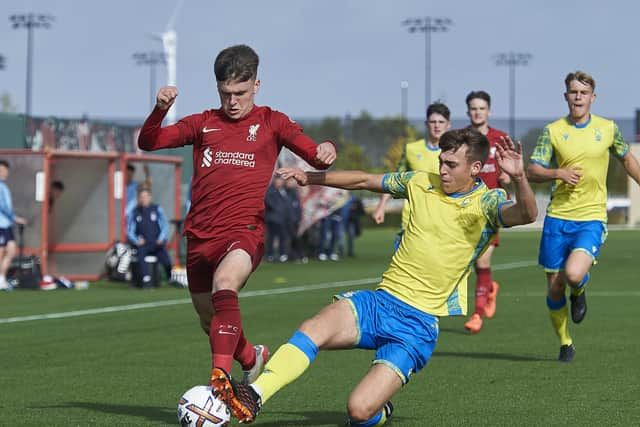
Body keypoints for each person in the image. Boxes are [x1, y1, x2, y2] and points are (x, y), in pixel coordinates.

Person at [209, 128, 538, 425]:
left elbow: (525, 213)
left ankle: (381, 412)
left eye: (452, 164)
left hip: (417, 326)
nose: (443, 170)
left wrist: (520, 178)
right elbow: (364, 180)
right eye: (441, 161)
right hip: (380, 302)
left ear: (476, 169)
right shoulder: (419, 182)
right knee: (313, 329)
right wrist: (310, 178)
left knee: (359, 411)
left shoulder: (486, 202)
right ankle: (255, 395)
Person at [137, 44, 336, 385]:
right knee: (208, 320)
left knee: (225, 284)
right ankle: (251, 356)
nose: (232, 101)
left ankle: (220, 381)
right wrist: (159, 111)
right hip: (200, 236)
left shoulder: (273, 122)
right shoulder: (202, 123)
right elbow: (149, 142)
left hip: (244, 231)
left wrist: (327, 148)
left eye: (240, 92)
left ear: (256, 85)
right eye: (225, 93)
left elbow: (315, 155)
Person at [527, 71, 640, 362]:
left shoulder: (608, 128)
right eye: (573, 92)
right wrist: (558, 173)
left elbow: (627, 158)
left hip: (591, 217)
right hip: (557, 217)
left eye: (583, 92)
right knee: (554, 287)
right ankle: (565, 342)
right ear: (566, 96)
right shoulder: (553, 131)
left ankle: (580, 289)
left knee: (573, 274)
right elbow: (533, 170)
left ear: (593, 97)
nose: (578, 97)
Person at [371, 102, 451, 250]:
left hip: (442, 221)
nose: (437, 126)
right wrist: (381, 206)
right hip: (411, 221)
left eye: (441, 122)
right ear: (427, 124)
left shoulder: (453, 153)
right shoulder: (411, 149)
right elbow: (395, 179)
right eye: (433, 122)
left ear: (448, 125)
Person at [463, 90, 511, 333]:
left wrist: (507, 178)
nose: (477, 112)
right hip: (464, 210)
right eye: (473, 108)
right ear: (468, 111)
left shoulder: (500, 139)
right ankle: (490, 287)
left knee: (482, 260)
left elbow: (511, 175)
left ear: (489, 111)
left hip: (491, 210)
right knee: (465, 263)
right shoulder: (462, 140)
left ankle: (477, 314)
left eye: (481, 108)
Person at [126, 186, 172, 287]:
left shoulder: (157, 209)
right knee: (140, 255)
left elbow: (164, 225)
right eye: (141, 197)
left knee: (167, 261)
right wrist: (136, 240)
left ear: (150, 197)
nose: (144, 199)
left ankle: (170, 278)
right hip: (143, 244)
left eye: (146, 196)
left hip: (156, 243)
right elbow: (129, 230)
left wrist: (161, 238)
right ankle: (146, 278)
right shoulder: (135, 212)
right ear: (139, 198)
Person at [0, 160, 27, 290]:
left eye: (5, 170)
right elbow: (2, 206)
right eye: (1, 170)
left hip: (6, 225)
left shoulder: (4, 186)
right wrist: (15, 218)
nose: (4, 173)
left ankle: (1, 279)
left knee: (11, 250)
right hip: (1, 224)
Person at [264, 175, 291, 262]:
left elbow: (288, 205)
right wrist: (279, 209)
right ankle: (270, 254)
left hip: (283, 219)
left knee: (283, 237)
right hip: (273, 218)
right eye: (278, 180)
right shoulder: (270, 191)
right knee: (271, 238)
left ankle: (282, 254)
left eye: (281, 180)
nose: (280, 182)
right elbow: (269, 203)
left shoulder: (286, 191)